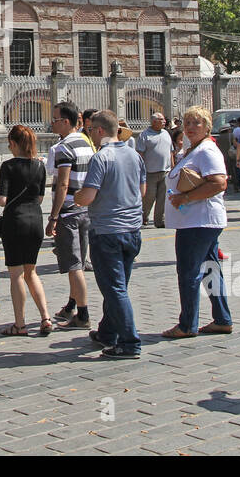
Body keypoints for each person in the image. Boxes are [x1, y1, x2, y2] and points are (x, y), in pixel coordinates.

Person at [74, 109, 145, 359]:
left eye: (91, 130)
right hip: (132, 229)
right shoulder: (134, 156)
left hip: (107, 230)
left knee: (114, 289)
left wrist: (76, 196)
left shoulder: (101, 158)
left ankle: (129, 341)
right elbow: (142, 190)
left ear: (100, 131)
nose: (90, 134)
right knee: (119, 285)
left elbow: (88, 195)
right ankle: (107, 332)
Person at [162, 106, 232, 339]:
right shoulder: (193, 150)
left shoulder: (207, 151)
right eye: (187, 122)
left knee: (189, 272)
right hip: (195, 220)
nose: (190, 127)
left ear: (207, 126)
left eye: (196, 123)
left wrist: (186, 197)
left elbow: (219, 183)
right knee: (211, 270)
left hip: (198, 221)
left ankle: (187, 324)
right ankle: (222, 319)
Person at [0, 124, 51, 336]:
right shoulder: (40, 166)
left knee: (16, 275)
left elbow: (2, 200)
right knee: (32, 271)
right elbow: (39, 198)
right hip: (35, 221)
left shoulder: (8, 166)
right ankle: (45, 317)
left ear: (12, 144)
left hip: (15, 223)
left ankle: (20, 325)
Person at [48, 102, 94, 330]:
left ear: (66, 122)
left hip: (69, 211)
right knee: (79, 260)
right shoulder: (87, 142)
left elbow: (62, 184)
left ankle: (83, 315)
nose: (52, 123)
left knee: (74, 265)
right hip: (86, 209)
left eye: (55, 119)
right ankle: (71, 305)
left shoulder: (63, 148)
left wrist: (53, 216)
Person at [135, 112, 173, 227]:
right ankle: (143, 216)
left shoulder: (166, 133)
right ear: (154, 121)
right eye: (161, 119)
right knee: (148, 198)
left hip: (165, 172)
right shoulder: (144, 135)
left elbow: (170, 152)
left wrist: (173, 167)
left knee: (162, 198)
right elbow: (140, 154)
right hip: (150, 173)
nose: (164, 121)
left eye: (163, 119)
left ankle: (159, 221)